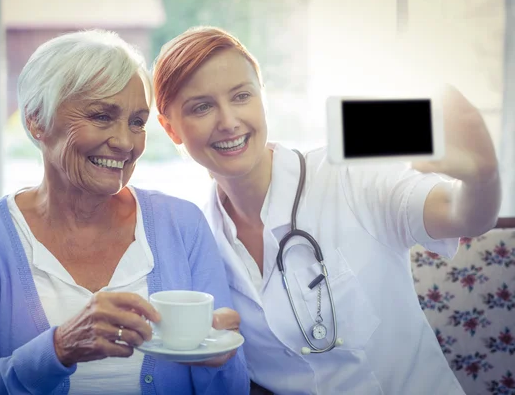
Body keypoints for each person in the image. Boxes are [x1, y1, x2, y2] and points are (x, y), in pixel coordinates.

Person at [153, 26, 502, 394]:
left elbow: (463, 214)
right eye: (202, 107)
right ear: (170, 128)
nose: (228, 121)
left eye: (241, 96)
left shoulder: (349, 177)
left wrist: (482, 175)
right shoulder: (199, 240)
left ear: (262, 98)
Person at [0, 29, 249, 395]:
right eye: (101, 116)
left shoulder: (182, 224)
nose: (125, 142)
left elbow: (231, 386)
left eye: (137, 122)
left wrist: (222, 358)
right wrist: (59, 348)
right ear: (37, 120)